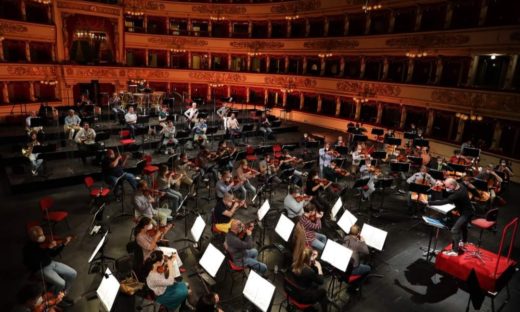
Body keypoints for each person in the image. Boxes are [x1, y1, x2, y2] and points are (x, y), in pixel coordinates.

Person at [23, 226, 77, 297]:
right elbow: (38, 262)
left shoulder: (43, 243)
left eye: (42, 234)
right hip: (40, 269)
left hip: (50, 263)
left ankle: (64, 293)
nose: (43, 236)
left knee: (73, 273)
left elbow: (53, 254)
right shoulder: (27, 249)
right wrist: (48, 248)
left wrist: (63, 245)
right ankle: (55, 297)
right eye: (40, 236)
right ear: (33, 238)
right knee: (62, 283)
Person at [428, 178, 474, 256]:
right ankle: (464, 242)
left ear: (452, 185)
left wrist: (429, 202)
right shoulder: (460, 185)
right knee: (463, 226)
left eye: (448, 187)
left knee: (454, 230)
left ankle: (455, 251)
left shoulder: (457, 194)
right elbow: (448, 188)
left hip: (466, 213)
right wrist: (442, 184)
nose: (447, 188)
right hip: (468, 210)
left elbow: (444, 201)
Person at [289, 247, 329, 311]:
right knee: (323, 291)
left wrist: (311, 258)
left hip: (294, 292)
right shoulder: (308, 272)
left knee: (315, 285)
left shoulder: (294, 265)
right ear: (308, 259)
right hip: (303, 298)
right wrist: (319, 268)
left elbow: (306, 266)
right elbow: (321, 281)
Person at [343, 224, 371, 288]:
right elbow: (367, 252)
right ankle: (357, 284)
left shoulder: (346, 238)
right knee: (368, 268)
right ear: (358, 233)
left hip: (344, 267)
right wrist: (362, 241)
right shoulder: (358, 244)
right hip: (352, 270)